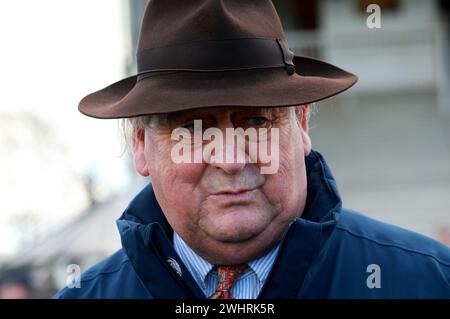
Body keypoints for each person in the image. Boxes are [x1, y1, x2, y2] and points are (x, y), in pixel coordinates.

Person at [55, 0, 450, 299]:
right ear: (141, 146)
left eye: (256, 122)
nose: (230, 159)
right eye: (194, 131)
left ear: (301, 124)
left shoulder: (431, 282)